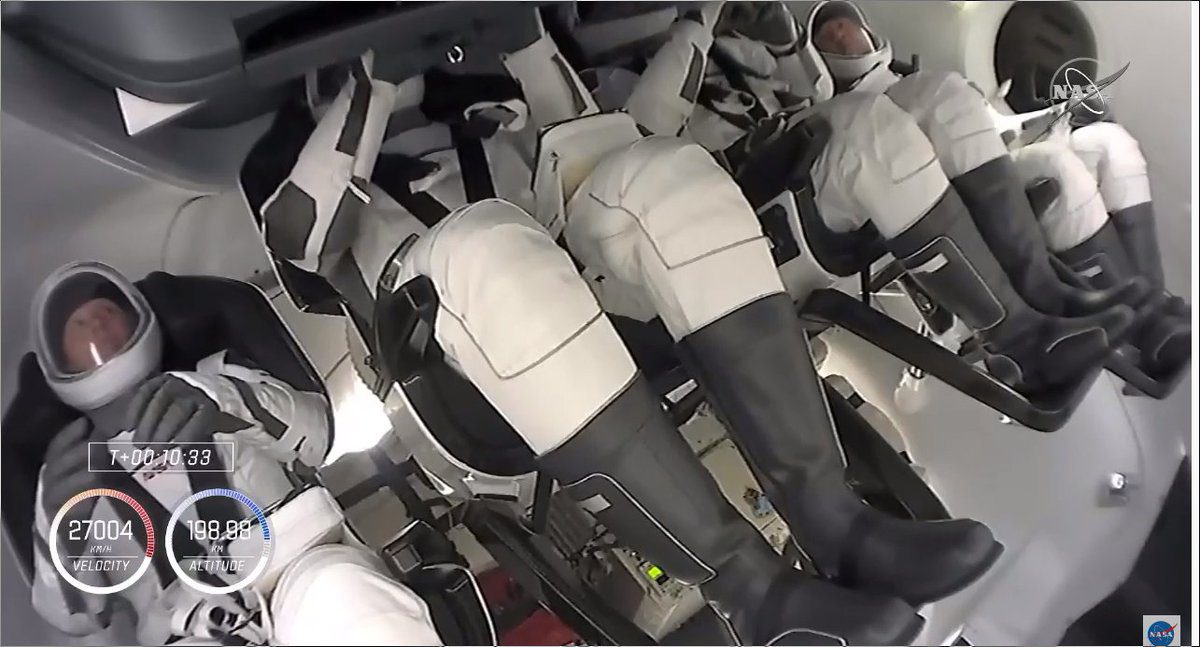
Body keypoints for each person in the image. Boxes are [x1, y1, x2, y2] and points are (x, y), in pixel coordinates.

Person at [249, 19, 945, 642]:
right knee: (490, 251)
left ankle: (834, 523)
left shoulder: (480, 111)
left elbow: (593, 145)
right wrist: (372, 81)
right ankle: (753, 588)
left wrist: (524, 41)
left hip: (561, 298)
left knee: (668, 174)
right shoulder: (301, 157)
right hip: (454, 372)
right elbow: (300, 237)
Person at [28, 261, 443, 645]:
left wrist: (225, 402)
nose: (97, 324)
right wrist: (62, 535)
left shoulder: (222, 377)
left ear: (139, 319)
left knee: (347, 601)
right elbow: (76, 616)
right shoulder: (66, 477)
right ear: (60, 361)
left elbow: (316, 436)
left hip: (296, 565)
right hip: (192, 628)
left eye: (106, 310)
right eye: (79, 324)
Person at [807, 0, 1189, 378]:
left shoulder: (919, 82)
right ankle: (1051, 319)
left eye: (845, 25)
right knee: (1054, 167)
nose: (840, 33)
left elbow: (991, 128)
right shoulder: (853, 111)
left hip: (991, 156)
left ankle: (1150, 314)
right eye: (827, 34)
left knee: (1108, 141)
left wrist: (1042, 118)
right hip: (924, 176)